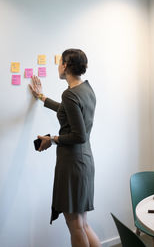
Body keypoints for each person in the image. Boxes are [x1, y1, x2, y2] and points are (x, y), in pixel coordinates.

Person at [29, 49, 101, 247]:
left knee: (75, 225)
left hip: (72, 164)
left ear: (66, 65)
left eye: (60, 62)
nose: (58, 66)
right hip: (84, 161)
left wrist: (51, 139)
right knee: (83, 224)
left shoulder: (70, 94)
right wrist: (41, 97)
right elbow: (67, 110)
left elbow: (78, 135)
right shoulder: (86, 89)